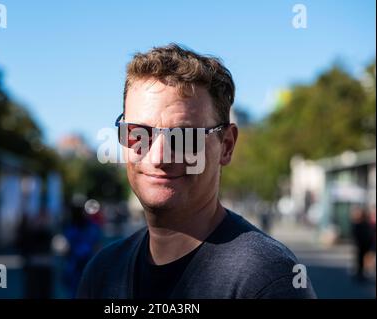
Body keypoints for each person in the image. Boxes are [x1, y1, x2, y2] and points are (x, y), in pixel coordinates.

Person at [77, 44, 316, 299]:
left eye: (184, 138)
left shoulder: (267, 279)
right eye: (139, 134)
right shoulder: (103, 271)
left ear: (226, 146)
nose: (159, 157)